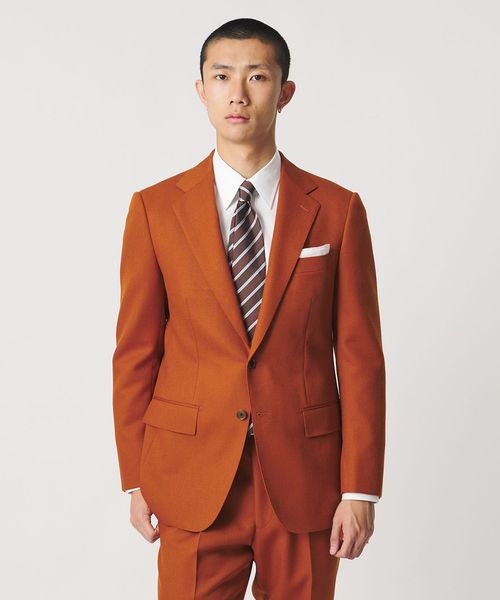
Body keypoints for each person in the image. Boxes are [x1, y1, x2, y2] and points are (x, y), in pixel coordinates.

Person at [112, 17, 386, 599]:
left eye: (257, 76)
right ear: (201, 90)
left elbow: (360, 357)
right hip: (190, 474)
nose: (238, 93)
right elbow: (136, 352)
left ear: (285, 92)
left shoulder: (337, 210)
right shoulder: (155, 210)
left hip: (305, 477)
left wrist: (360, 488)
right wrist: (134, 476)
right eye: (222, 76)